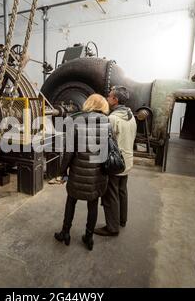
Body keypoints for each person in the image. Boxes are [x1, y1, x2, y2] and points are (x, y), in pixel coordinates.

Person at [54, 94, 110, 251]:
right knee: (93, 205)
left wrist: (62, 171)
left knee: (71, 201)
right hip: (98, 173)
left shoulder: (76, 121)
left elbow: (69, 152)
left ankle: (65, 233)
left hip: (78, 172)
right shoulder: (107, 123)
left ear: (88, 103)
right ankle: (89, 237)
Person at [95, 86, 137, 237]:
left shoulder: (112, 119)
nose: (107, 98)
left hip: (115, 163)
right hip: (127, 160)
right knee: (122, 190)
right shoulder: (131, 116)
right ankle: (122, 220)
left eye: (110, 96)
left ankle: (112, 227)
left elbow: (105, 143)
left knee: (110, 194)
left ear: (115, 100)